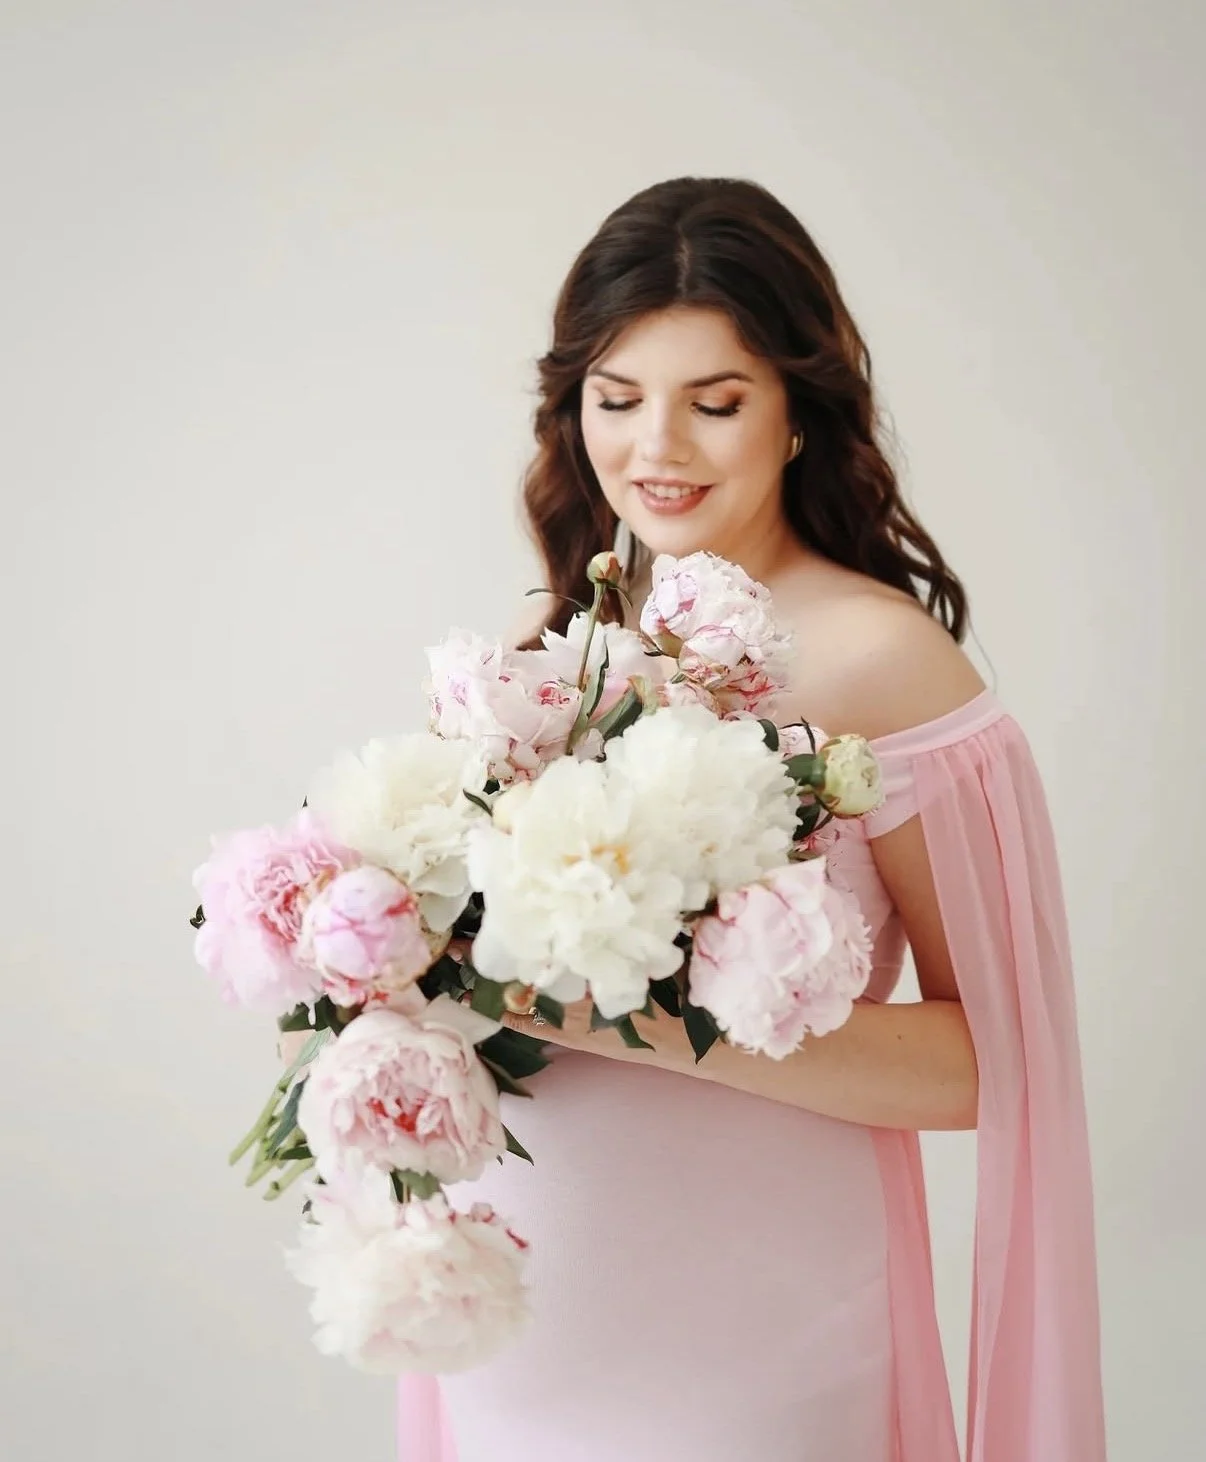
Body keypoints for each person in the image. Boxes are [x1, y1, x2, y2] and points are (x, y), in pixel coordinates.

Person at [398, 177, 1107, 1461]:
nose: (657, 447)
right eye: (617, 401)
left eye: (715, 403)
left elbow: (992, 1064)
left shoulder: (884, 665)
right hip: (521, 1323)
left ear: (795, 418)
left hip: (759, 1334)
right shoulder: (543, 653)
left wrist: (645, 1017)